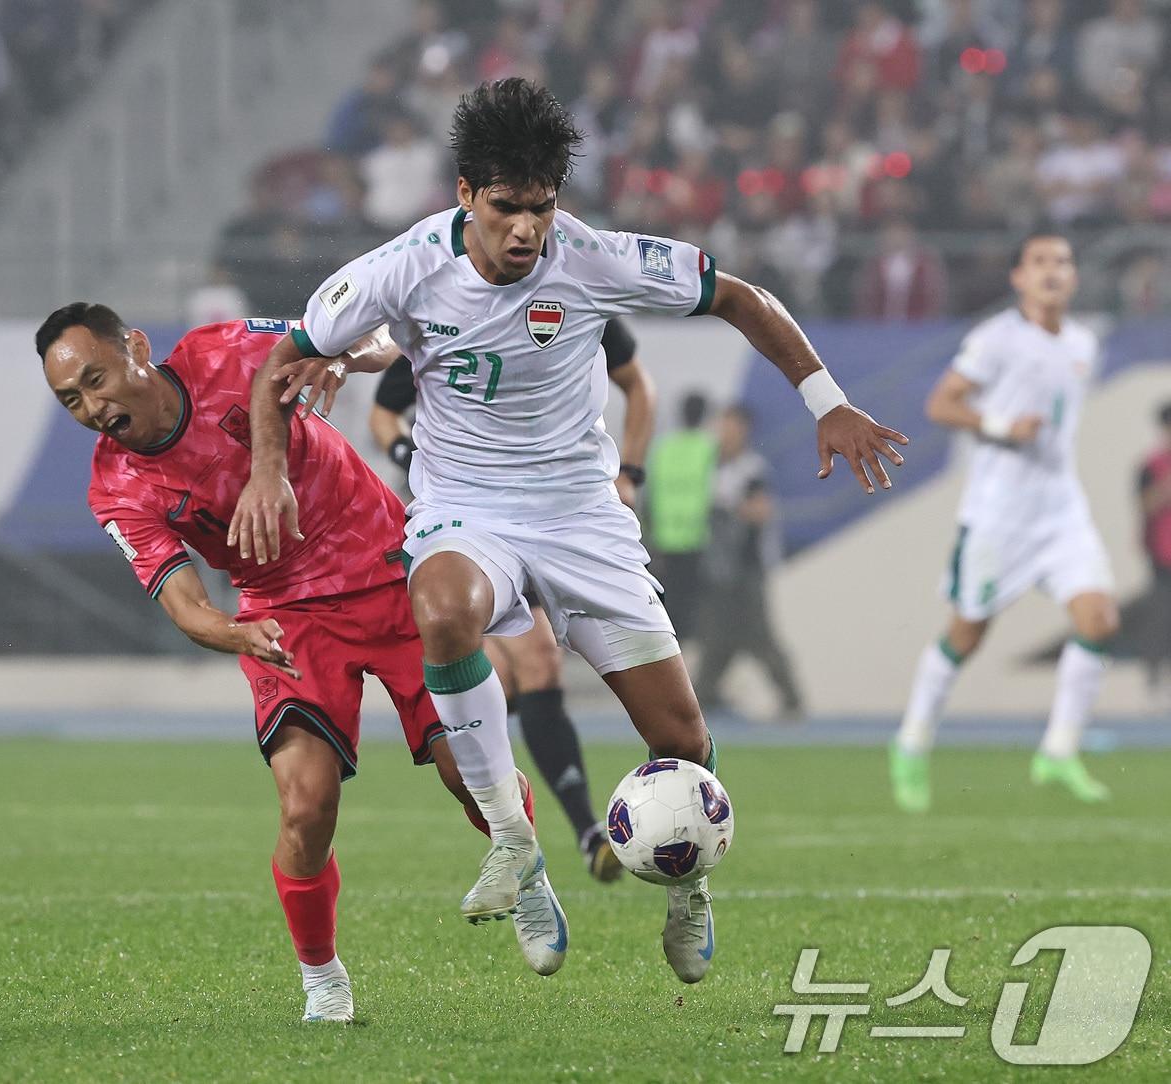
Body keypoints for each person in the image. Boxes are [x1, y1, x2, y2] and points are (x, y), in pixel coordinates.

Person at [232, 78, 907, 985]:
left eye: (542, 208)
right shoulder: (399, 267)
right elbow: (285, 357)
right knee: (440, 608)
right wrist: (273, 464)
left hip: (582, 516)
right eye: (507, 208)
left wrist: (828, 402)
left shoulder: (592, 257)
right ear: (466, 193)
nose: (526, 231)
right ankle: (516, 846)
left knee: (684, 739)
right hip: (467, 509)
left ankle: (686, 881)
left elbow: (741, 295)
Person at [35, 304, 548, 1026]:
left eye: (95, 379)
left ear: (137, 349)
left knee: (468, 775)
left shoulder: (225, 349)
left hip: (389, 570)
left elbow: (368, 335)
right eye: (71, 400)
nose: (93, 407)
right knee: (305, 805)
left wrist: (339, 360)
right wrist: (238, 635)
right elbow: (184, 606)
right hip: (286, 616)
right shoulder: (116, 488)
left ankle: (525, 871)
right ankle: (323, 981)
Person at [369, 317, 657, 881]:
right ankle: (527, 841)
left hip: (551, 519)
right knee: (507, 674)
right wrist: (409, 454)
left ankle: (577, 832)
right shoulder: (446, 316)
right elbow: (384, 411)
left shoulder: (579, 296)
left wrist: (632, 472)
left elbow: (638, 384)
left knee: (536, 664)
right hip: (463, 530)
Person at [891, 231, 1119, 812]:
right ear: (1018, 276)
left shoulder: (1084, 343)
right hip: (999, 514)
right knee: (967, 634)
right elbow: (941, 403)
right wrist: (999, 425)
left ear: (1074, 275)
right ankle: (912, 742)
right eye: (1040, 262)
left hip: (1061, 509)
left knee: (1098, 617)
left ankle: (1059, 751)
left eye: (1063, 262)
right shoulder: (995, 339)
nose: (1053, 271)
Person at [693, 404, 805, 720]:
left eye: (731, 426)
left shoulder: (751, 469)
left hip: (747, 569)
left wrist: (728, 508)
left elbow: (761, 510)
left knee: (760, 637)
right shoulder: (711, 467)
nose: (724, 433)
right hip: (717, 569)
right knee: (715, 639)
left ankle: (792, 701)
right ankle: (703, 698)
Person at [647, 392, 717, 649]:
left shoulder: (663, 447)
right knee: (696, 606)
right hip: (697, 537)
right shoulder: (709, 447)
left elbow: (651, 493)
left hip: (665, 537)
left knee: (672, 604)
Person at [1137, 402, 1171, 709]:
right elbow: (1144, 507)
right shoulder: (1152, 466)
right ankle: (1155, 681)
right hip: (1163, 555)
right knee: (1161, 619)